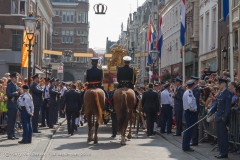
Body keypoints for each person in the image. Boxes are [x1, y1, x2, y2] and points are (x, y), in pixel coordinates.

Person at [207, 78, 232, 158]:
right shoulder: (220, 93)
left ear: (224, 84)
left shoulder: (228, 93)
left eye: (220, 84)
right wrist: (211, 112)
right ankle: (221, 151)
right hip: (218, 117)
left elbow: (228, 107)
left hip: (222, 118)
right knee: (220, 136)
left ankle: (224, 152)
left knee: (223, 136)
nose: (219, 85)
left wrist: (224, 117)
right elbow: (217, 106)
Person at [182, 79, 197, 152]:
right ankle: (186, 146)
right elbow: (190, 102)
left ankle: (185, 145)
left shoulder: (186, 92)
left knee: (187, 129)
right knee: (189, 129)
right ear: (193, 85)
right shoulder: (190, 93)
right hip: (190, 113)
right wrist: (193, 109)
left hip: (187, 112)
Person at [6, 72, 19, 140]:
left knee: (14, 120)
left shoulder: (15, 85)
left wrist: (19, 93)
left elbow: (17, 94)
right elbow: (8, 94)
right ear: (13, 78)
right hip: (11, 105)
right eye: (15, 78)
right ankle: (9, 134)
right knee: (10, 120)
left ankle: (13, 133)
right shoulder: (10, 85)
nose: (16, 79)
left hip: (15, 104)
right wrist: (15, 93)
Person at [190, 76, 200, 146]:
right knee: (193, 125)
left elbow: (195, 100)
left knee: (194, 125)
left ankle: (195, 140)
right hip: (194, 109)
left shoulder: (196, 89)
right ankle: (193, 139)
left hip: (195, 109)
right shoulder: (194, 89)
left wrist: (193, 108)